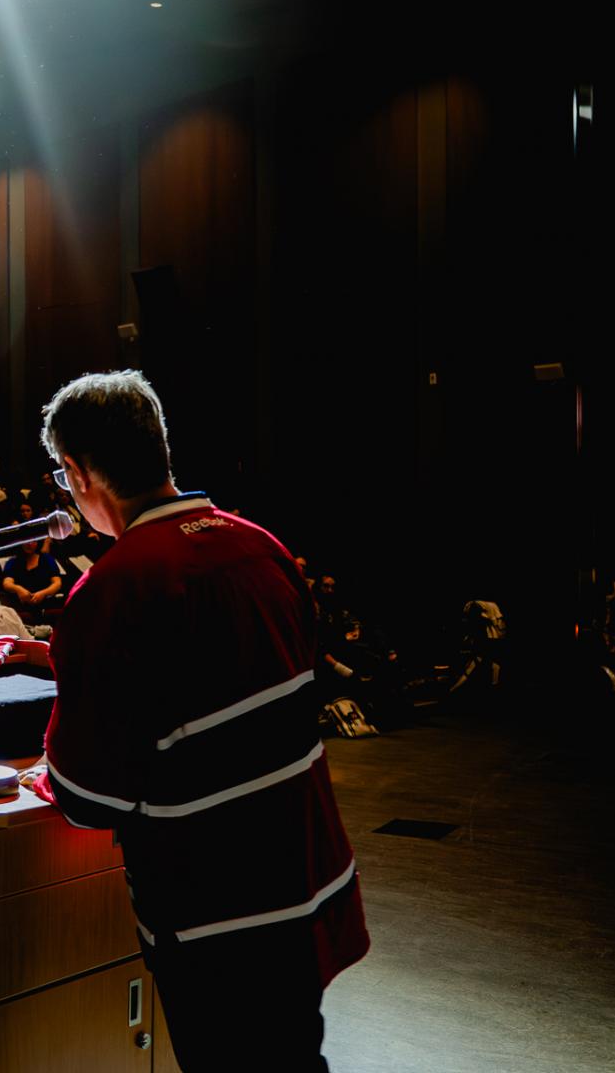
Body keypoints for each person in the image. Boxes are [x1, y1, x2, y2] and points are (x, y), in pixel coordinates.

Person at [32, 370, 366, 1071]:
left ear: (78, 472)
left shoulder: (114, 588)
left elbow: (91, 799)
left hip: (215, 910)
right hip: (301, 878)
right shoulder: (260, 545)